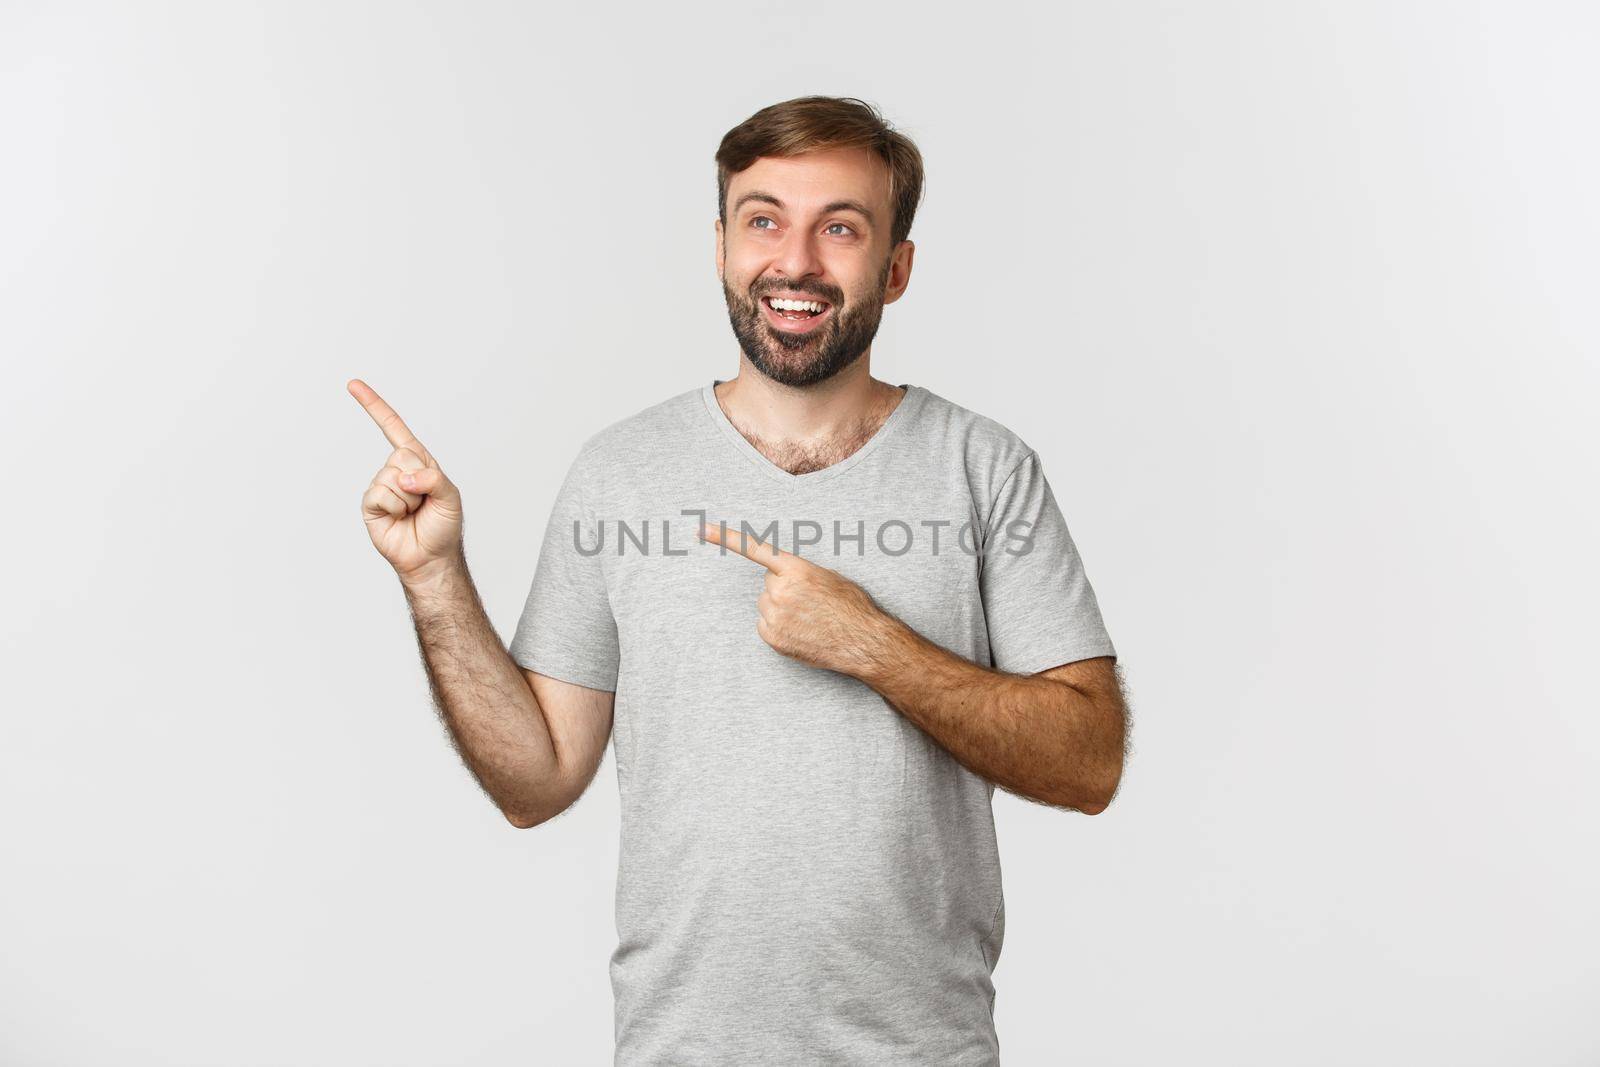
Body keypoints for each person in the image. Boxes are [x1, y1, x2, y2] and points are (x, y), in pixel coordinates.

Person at [349, 94, 1128, 1066]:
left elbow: (1088, 760)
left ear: (896, 268)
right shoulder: (620, 471)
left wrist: (875, 646)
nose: (794, 261)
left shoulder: (981, 468)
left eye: (839, 228)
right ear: (721, 246)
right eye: (764, 219)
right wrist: (433, 578)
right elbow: (534, 779)